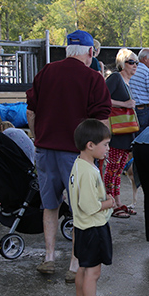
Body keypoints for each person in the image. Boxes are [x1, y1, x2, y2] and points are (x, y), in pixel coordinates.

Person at [26, 29, 111, 281]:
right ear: (89, 52)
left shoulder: (46, 72)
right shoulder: (93, 78)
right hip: (76, 154)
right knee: (81, 209)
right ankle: (75, 263)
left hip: (45, 149)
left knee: (49, 204)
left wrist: (38, 136)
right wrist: (101, 151)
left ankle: (49, 257)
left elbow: (30, 113)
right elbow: (102, 120)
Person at [68, 119, 116, 296]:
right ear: (90, 145)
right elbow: (89, 206)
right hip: (92, 228)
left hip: (82, 228)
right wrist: (109, 202)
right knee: (92, 273)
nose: (108, 148)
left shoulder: (81, 164)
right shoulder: (88, 171)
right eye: (105, 144)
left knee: (83, 269)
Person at [104, 48, 139, 217]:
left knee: (118, 170)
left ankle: (117, 201)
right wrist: (124, 104)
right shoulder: (116, 78)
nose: (135, 66)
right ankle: (109, 202)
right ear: (122, 63)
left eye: (136, 63)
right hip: (117, 132)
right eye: (131, 62)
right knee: (112, 169)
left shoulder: (126, 82)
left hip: (126, 131)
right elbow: (102, 99)